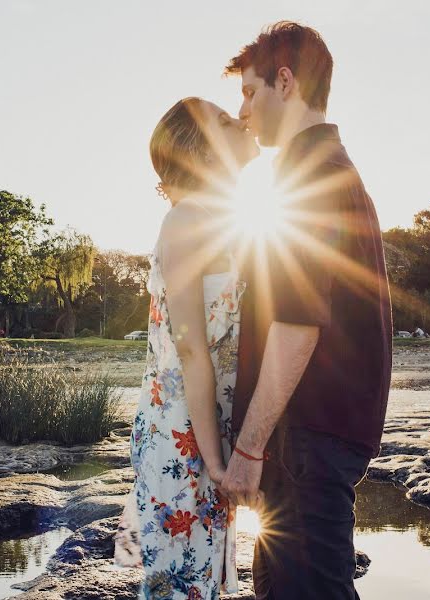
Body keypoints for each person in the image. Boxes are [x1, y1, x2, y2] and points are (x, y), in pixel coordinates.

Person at [220, 22, 393, 600]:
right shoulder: (325, 168)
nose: (242, 109)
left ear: (285, 82)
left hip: (308, 439)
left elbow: (297, 324)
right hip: (308, 442)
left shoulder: (310, 176)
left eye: (249, 91)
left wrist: (247, 449)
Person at [115, 97, 259, 599]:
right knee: (180, 587)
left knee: (202, 580)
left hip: (204, 427)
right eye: (224, 122)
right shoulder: (187, 221)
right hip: (182, 432)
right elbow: (191, 351)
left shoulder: (221, 219)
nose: (240, 120)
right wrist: (218, 461)